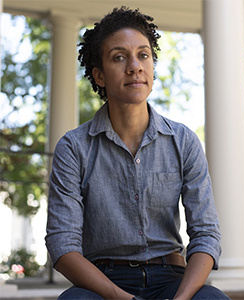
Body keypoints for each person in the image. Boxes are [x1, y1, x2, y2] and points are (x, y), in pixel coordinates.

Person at [45, 6, 230, 300]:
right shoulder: (73, 148)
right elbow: (62, 244)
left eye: (143, 55)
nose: (135, 66)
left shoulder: (183, 142)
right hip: (103, 283)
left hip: (171, 278)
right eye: (119, 57)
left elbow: (206, 235)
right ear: (100, 76)